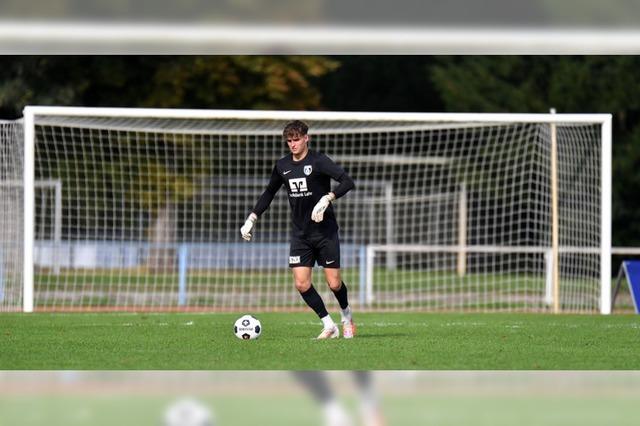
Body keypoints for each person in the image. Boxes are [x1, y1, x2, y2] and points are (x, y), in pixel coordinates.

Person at [240, 120, 355, 339]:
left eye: (296, 140)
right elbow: (269, 192)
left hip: (325, 232)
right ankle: (329, 325)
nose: (292, 144)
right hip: (301, 234)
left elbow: (348, 182)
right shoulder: (282, 165)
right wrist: (252, 218)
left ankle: (347, 316)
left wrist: (328, 198)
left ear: (306, 138)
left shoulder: (319, 161)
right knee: (302, 284)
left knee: (334, 283)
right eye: (289, 141)